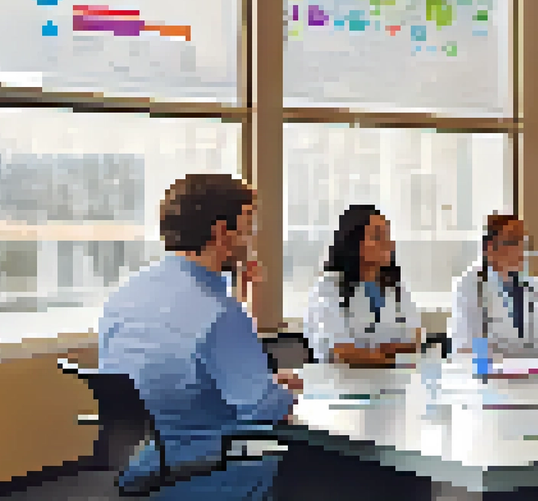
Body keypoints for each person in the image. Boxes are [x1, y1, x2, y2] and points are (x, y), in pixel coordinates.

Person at [98, 174, 300, 500]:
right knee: (324, 464)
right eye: (248, 226)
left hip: (144, 467)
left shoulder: (124, 296)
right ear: (221, 232)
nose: (252, 238)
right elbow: (264, 410)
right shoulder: (218, 310)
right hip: (209, 471)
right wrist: (279, 391)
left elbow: (163, 378)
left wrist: (260, 383)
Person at [304, 204, 422, 366]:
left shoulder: (394, 287)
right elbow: (341, 351)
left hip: (392, 378)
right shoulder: (328, 288)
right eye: (378, 237)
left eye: (388, 236)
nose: (388, 244)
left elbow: (414, 341)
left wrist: (371, 354)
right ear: (354, 242)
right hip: (341, 380)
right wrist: (387, 355)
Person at [451, 212, 538, 358]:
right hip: (491, 371)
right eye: (513, 241)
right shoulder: (470, 288)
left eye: (524, 242)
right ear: (490, 248)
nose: (521, 250)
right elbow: (465, 348)